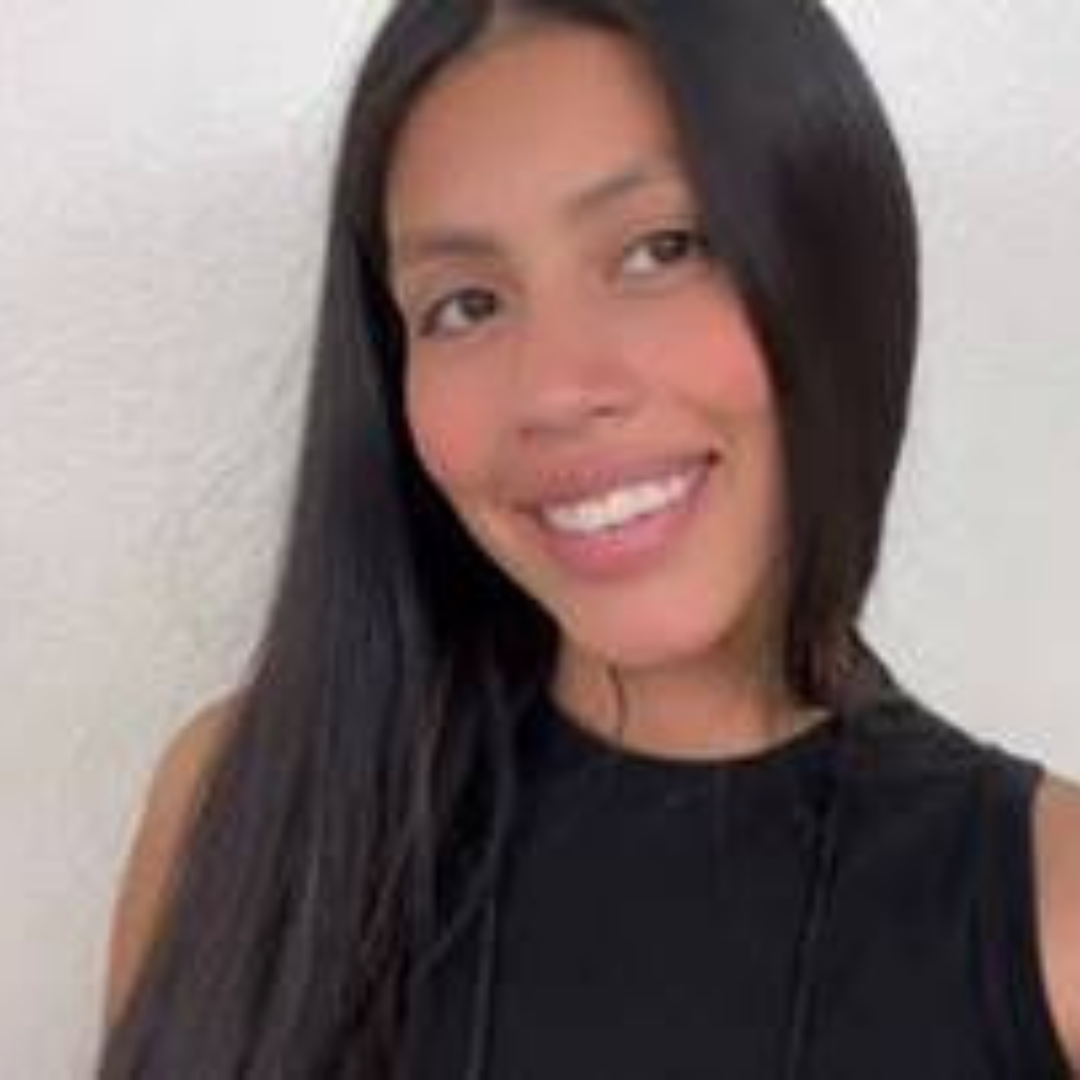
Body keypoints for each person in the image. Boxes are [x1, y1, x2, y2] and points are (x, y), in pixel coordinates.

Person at [97, 1, 1080, 1077]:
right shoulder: (246, 812)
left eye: (662, 249)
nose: (557, 389)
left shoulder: (1053, 911)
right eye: (466, 305)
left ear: (832, 267)